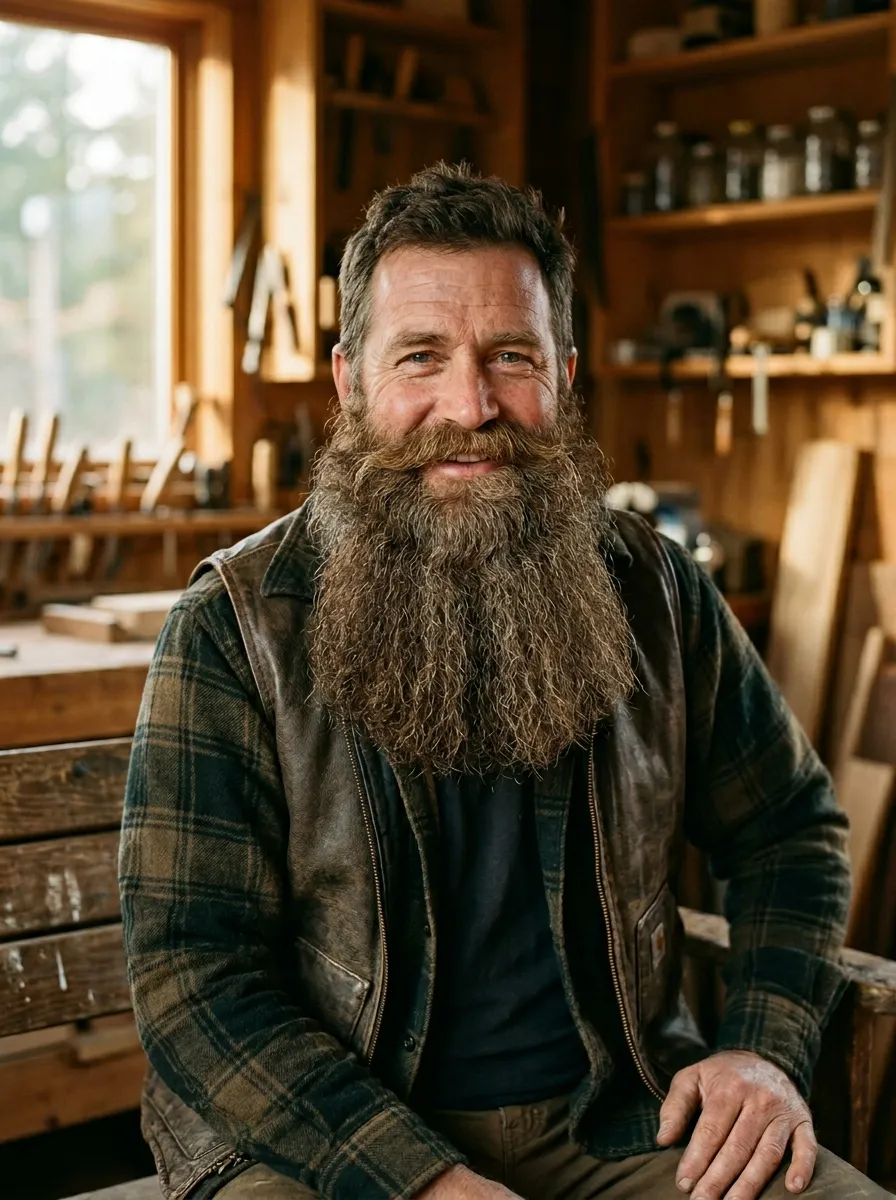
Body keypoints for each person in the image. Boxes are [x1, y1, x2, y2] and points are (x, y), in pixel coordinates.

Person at [120, 164, 885, 1200]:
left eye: (509, 357)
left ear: (562, 374)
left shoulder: (654, 590)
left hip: (620, 1120)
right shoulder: (233, 629)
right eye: (420, 357)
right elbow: (192, 976)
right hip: (316, 1143)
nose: (470, 406)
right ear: (349, 382)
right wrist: (423, 1179)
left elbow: (788, 830)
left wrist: (760, 1048)